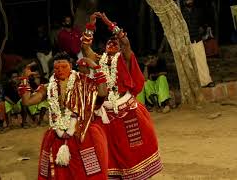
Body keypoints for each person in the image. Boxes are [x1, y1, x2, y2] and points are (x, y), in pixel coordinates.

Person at [81, 12, 163, 179]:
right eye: (110, 42)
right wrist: (90, 26)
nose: (113, 44)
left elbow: (125, 42)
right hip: (106, 112)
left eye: (115, 43)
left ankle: (137, 173)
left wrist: (109, 23)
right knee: (108, 147)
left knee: (132, 146)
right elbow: (84, 48)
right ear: (104, 47)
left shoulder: (124, 58)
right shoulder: (99, 60)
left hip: (126, 109)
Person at [19, 52, 109, 180]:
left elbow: (102, 93)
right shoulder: (48, 87)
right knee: (61, 173)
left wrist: (96, 68)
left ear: (71, 66)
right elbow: (27, 101)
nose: (60, 70)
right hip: (58, 136)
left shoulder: (83, 81)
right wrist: (24, 79)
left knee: (87, 173)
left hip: (81, 134)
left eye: (64, 66)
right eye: (56, 68)